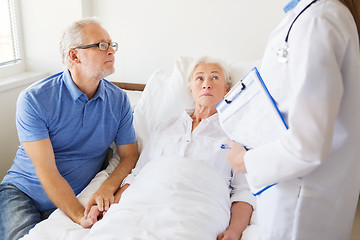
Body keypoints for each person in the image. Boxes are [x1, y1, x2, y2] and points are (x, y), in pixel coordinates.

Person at [226, 0, 360, 239]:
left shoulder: (317, 21)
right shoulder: (311, 17)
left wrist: (245, 160)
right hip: (298, 199)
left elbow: (308, 145)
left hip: (300, 210)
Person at [85, 57, 256, 239]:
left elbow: (243, 191)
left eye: (215, 78)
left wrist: (235, 231)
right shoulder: (165, 126)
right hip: (143, 200)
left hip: (198, 208)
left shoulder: (235, 133)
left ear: (227, 90)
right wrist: (111, 209)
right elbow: (137, 174)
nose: (206, 84)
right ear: (191, 89)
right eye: (199, 78)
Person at [0, 18, 139, 240]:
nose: (111, 51)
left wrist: (107, 187)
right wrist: (77, 215)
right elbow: (47, 170)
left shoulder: (119, 101)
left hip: (78, 195)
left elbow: (130, 155)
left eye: (112, 44)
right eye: (102, 45)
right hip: (23, 194)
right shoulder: (34, 100)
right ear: (74, 55)